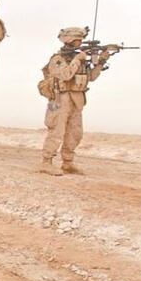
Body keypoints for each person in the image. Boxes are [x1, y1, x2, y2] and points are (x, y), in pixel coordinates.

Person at [38, 26, 109, 176]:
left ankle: (68, 163)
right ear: (69, 40)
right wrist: (77, 59)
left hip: (76, 99)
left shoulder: (80, 60)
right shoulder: (57, 59)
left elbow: (91, 77)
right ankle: (46, 162)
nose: (80, 43)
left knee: (75, 133)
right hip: (59, 98)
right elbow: (65, 75)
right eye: (78, 40)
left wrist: (101, 62)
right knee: (56, 131)